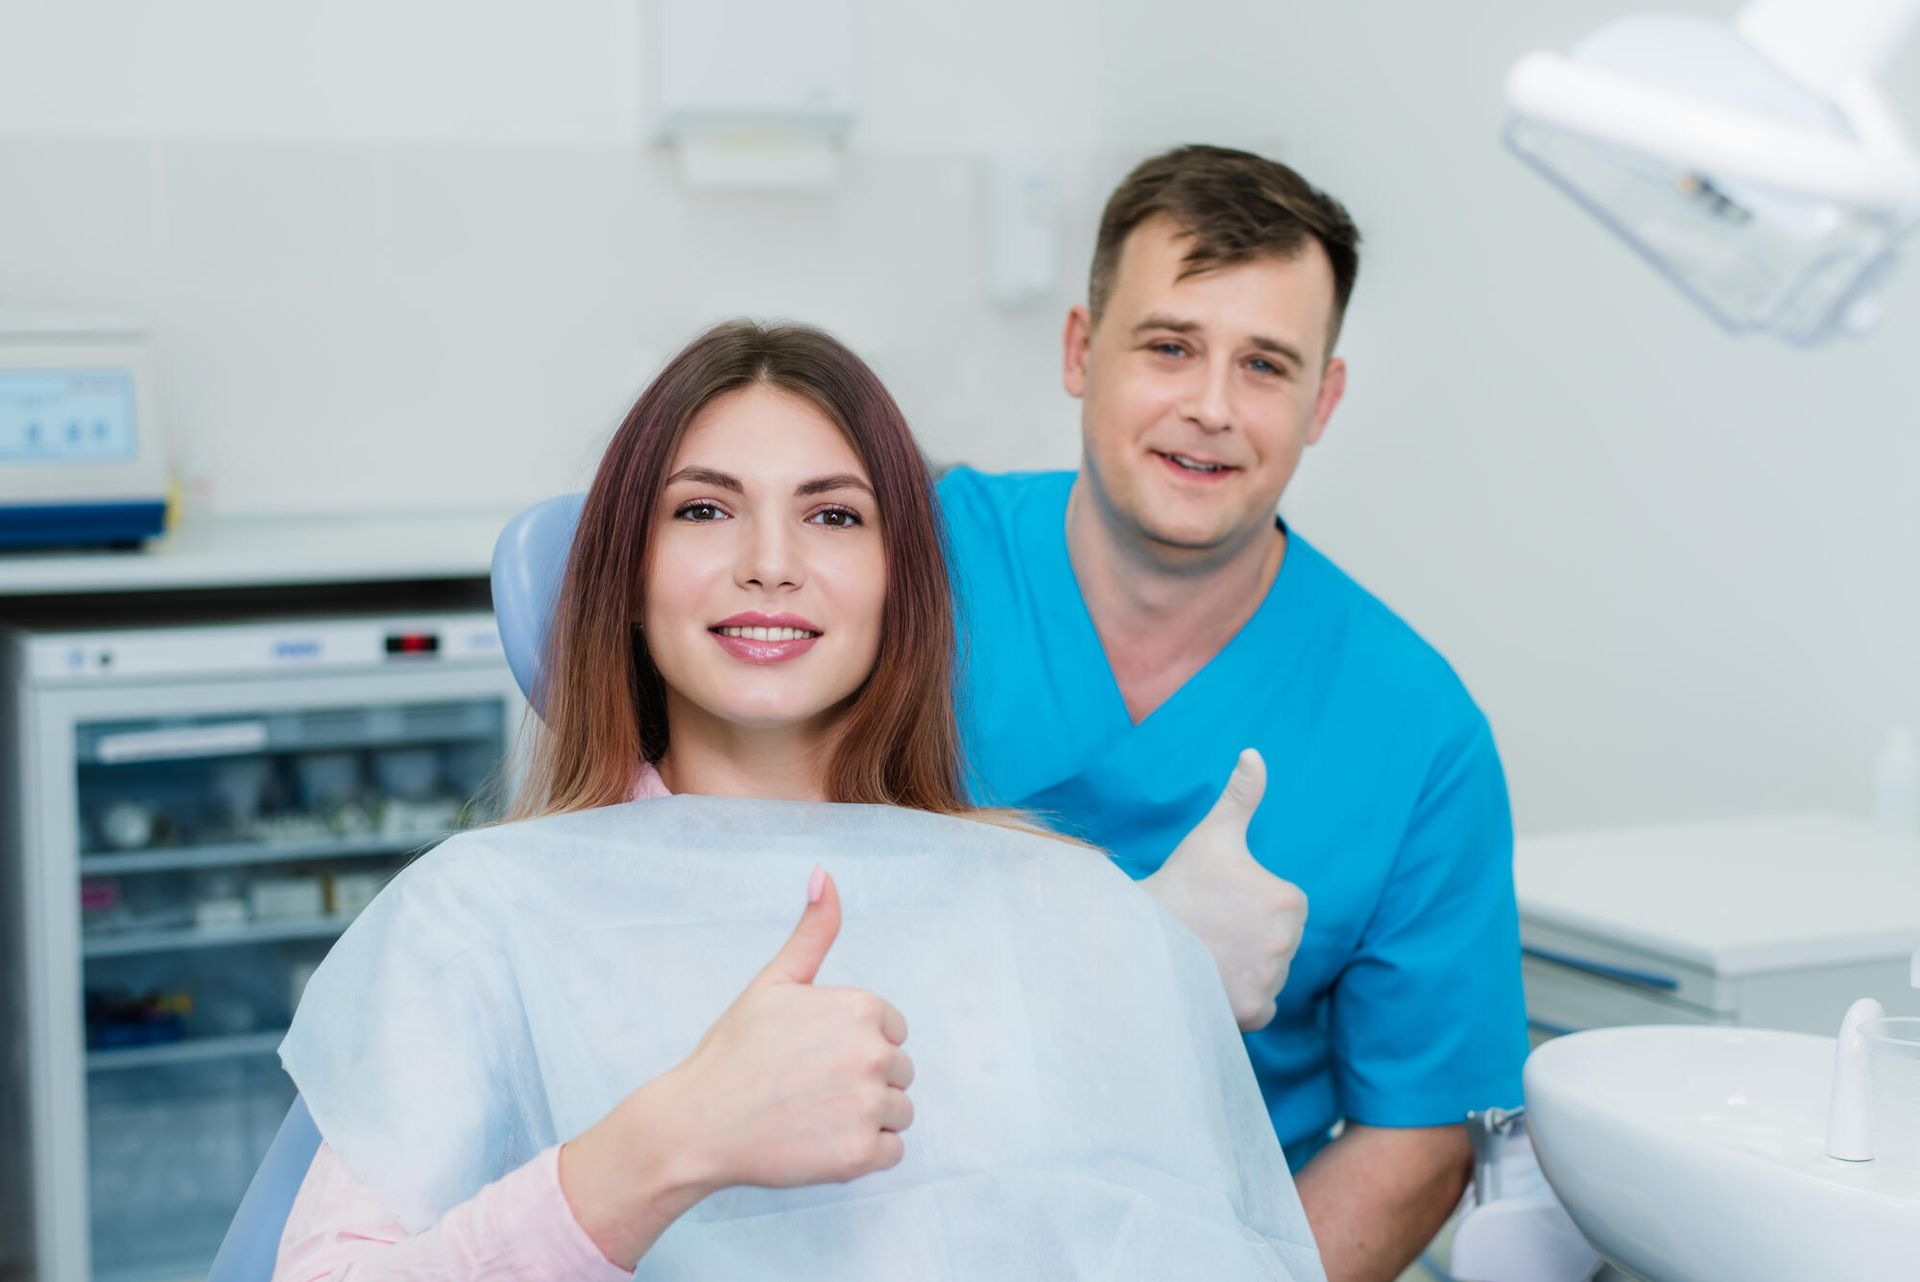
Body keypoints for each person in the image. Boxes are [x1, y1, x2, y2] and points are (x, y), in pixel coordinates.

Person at [272, 321, 1324, 1281]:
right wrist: (665, 1144)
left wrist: (1156, 972)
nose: (770, 565)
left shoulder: (1050, 903)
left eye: (831, 514)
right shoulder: (483, 913)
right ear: (626, 581)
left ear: (899, 586)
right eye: (703, 509)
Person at [939, 145, 1530, 1282]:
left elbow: (1418, 1135)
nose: (1211, 409)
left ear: (1325, 401)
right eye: (1170, 347)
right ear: (1080, 350)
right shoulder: (908, 569)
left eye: (1265, 365)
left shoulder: (1417, 731)